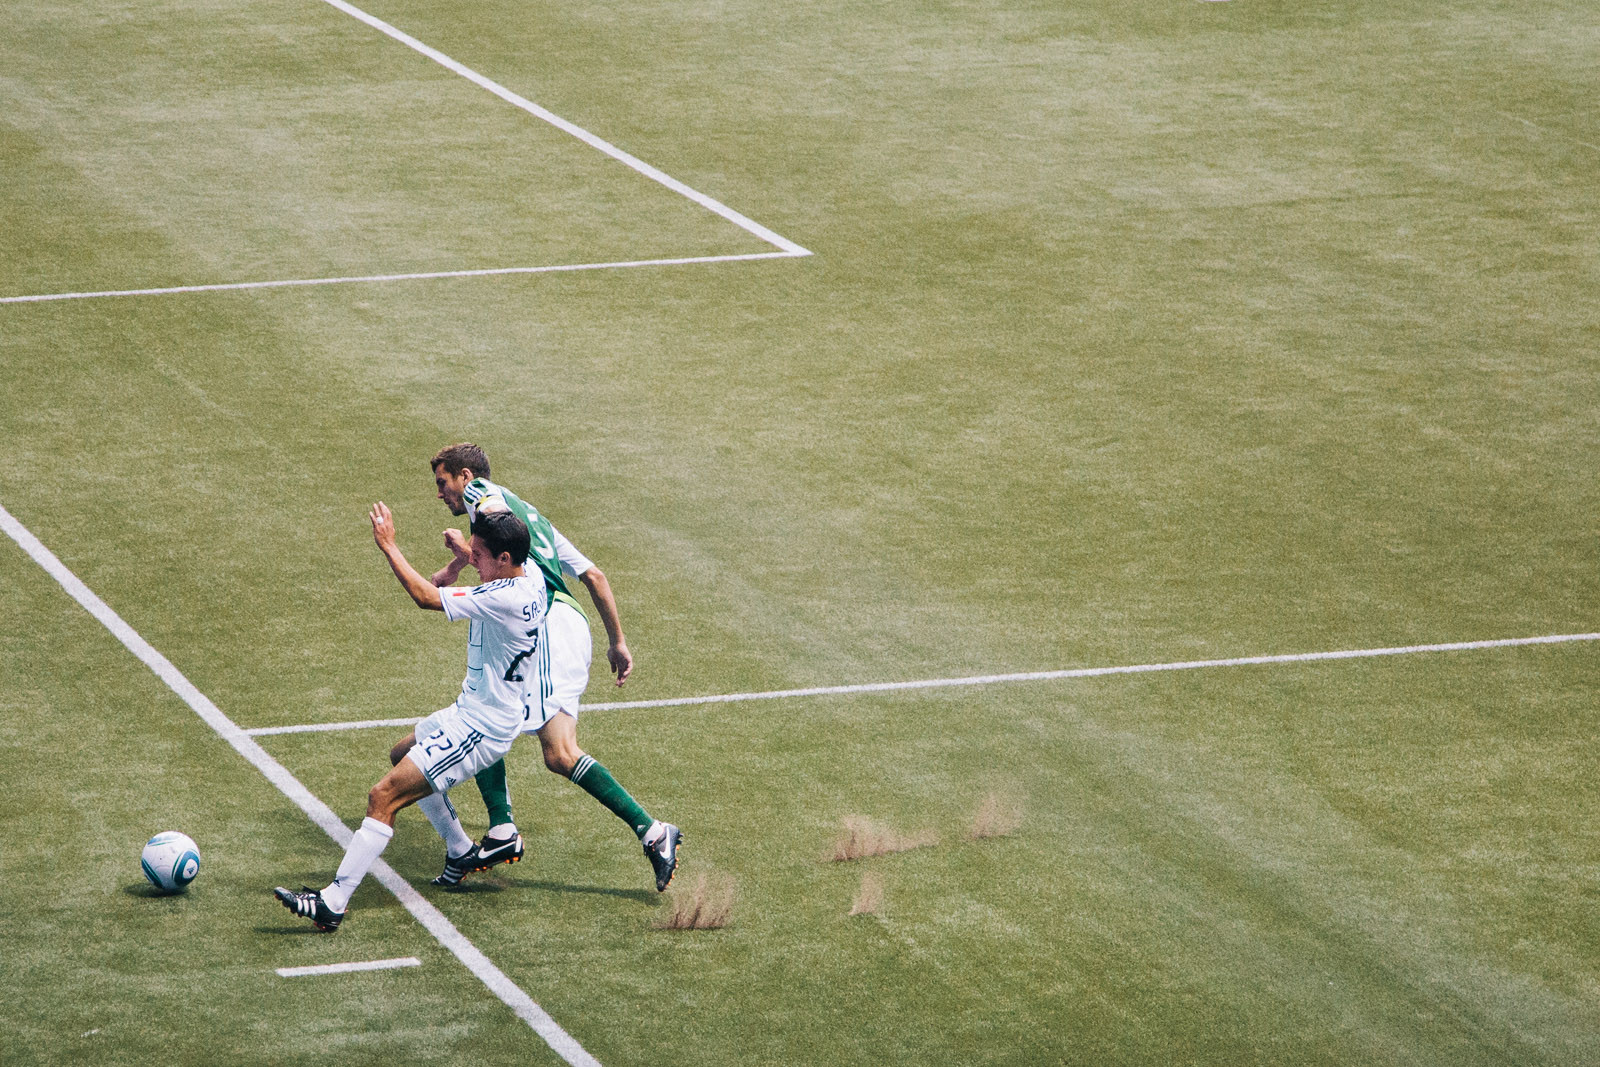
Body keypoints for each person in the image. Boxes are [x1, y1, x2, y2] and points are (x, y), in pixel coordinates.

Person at [273, 504, 547, 931]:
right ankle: (459, 849)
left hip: (481, 727)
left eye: (480, 554)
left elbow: (425, 596)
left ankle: (333, 901)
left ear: (505, 559)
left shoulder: (502, 597)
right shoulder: (529, 579)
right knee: (402, 751)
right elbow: (488, 563)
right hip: (474, 710)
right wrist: (464, 555)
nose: (475, 559)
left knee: (383, 796)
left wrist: (388, 545)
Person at [428, 442, 681, 893]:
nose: (442, 494)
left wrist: (458, 559)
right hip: (567, 624)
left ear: (466, 477)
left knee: (553, 749)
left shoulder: (482, 496)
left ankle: (653, 831)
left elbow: (493, 544)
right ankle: (505, 830)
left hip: (550, 626)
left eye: (443, 483)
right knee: (494, 714)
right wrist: (617, 641)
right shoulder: (531, 517)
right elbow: (595, 577)